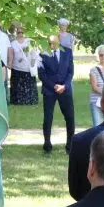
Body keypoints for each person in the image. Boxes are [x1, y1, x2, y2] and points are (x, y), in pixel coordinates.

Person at [39, 23, 78, 152]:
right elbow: (41, 74)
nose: (52, 46)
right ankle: (47, 144)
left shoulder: (67, 52)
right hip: (49, 90)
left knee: (70, 117)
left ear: (59, 40)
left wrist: (64, 86)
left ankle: (70, 144)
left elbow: (70, 72)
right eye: (50, 43)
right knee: (48, 117)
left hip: (65, 89)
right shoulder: (43, 53)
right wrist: (54, 86)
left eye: (54, 43)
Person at [9, 25, 38, 107]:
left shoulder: (30, 41)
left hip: (28, 68)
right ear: (16, 33)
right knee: (17, 86)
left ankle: (30, 101)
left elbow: (34, 54)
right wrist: (9, 64)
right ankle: (17, 101)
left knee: (29, 85)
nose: (20, 34)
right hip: (16, 69)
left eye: (22, 32)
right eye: (18, 32)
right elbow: (11, 55)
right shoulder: (13, 43)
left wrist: (33, 65)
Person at [86, 48, 104, 127]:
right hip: (96, 101)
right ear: (97, 56)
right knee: (98, 125)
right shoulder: (93, 70)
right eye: (101, 55)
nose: (103, 57)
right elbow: (94, 87)